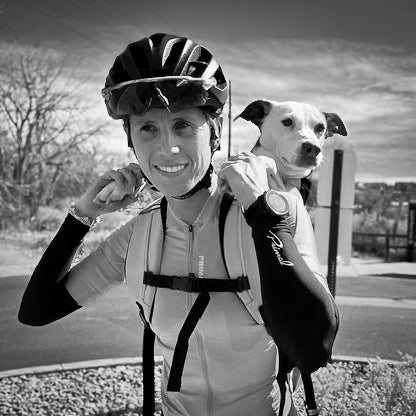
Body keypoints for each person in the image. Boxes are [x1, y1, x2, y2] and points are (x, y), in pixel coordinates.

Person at [19, 33, 339, 416]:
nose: (167, 148)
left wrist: (262, 215)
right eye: (148, 129)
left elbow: (315, 347)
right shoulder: (140, 234)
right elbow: (37, 311)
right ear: (130, 140)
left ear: (214, 132)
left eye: (184, 125)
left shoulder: (272, 212)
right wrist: (82, 215)